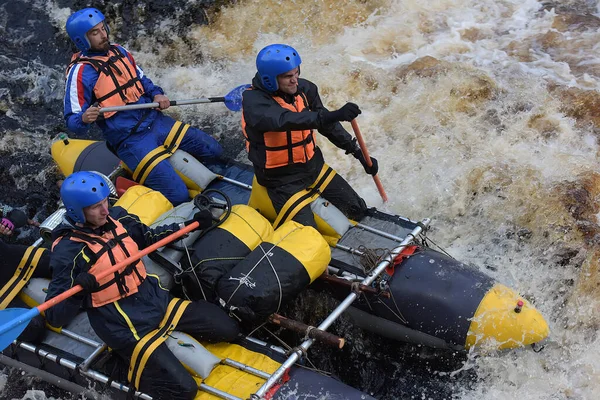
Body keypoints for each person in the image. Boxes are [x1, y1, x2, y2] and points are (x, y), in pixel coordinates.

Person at [45, 171, 239, 400]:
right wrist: (80, 290)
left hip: (152, 298)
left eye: (105, 201)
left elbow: (147, 237)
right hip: (124, 325)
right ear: (78, 211)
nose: (105, 210)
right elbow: (54, 315)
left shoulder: (116, 217)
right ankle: (118, 366)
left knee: (228, 329)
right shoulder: (69, 252)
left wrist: (190, 225)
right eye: (95, 207)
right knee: (184, 390)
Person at [63, 8, 223, 206]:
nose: (103, 34)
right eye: (95, 33)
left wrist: (157, 93)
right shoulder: (80, 72)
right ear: (82, 40)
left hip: (155, 121)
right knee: (179, 196)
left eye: (102, 28)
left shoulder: (120, 51)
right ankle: (144, 177)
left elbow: (142, 80)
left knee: (214, 150)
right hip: (131, 140)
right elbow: (72, 120)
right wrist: (85, 118)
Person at [241, 44, 379, 229]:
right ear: (270, 80)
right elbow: (284, 120)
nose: (295, 80)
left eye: (296, 73)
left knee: (358, 210)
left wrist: (357, 152)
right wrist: (331, 115)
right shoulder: (254, 103)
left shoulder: (305, 89)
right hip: (281, 181)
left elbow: (328, 126)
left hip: (313, 168)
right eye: (288, 77)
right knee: (309, 231)